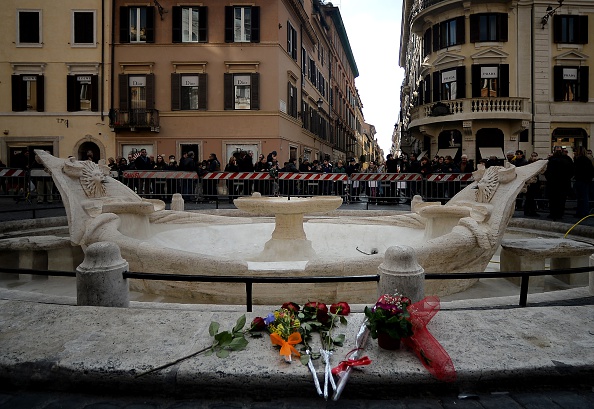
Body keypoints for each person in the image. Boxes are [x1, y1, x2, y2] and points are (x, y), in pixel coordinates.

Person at [544, 146, 574, 220]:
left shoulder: (551, 160)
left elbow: (546, 171)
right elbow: (572, 171)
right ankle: (558, 214)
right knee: (559, 200)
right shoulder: (566, 159)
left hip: (555, 183)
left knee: (555, 200)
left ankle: (554, 213)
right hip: (561, 183)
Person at [573, 147, 594, 219]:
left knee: (581, 197)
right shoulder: (587, 160)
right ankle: (584, 212)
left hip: (580, 180)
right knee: (585, 197)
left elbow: (575, 170)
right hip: (587, 180)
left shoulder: (578, 160)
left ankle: (581, 212)